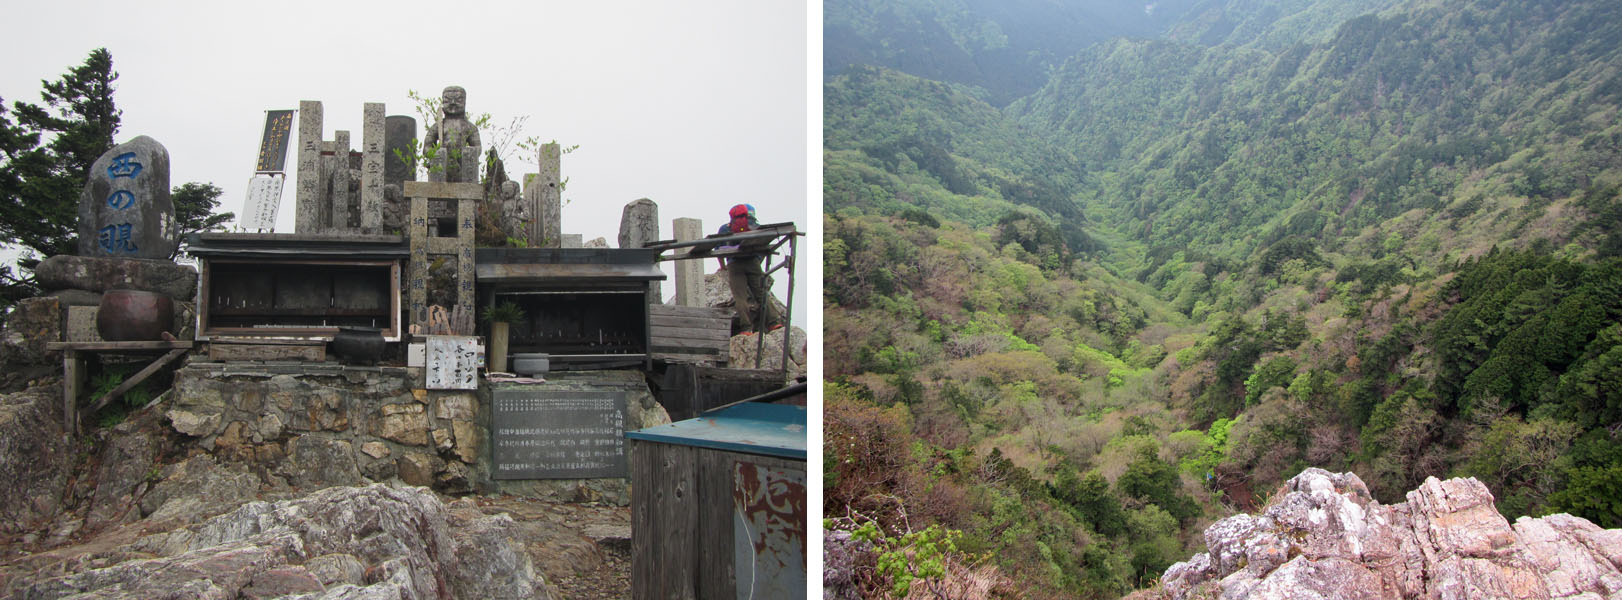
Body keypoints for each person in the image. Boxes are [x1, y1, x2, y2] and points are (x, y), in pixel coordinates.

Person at [716, 204, 781, 333]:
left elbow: (718, 250)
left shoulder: (724, 228)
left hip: (734, 263)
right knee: (761, 293)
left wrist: (723, 266)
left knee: (740, 297)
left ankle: (746, 328)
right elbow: (762, 246)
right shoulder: (755, 226)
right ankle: (773, 322)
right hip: (752, 262)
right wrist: (757, 261)